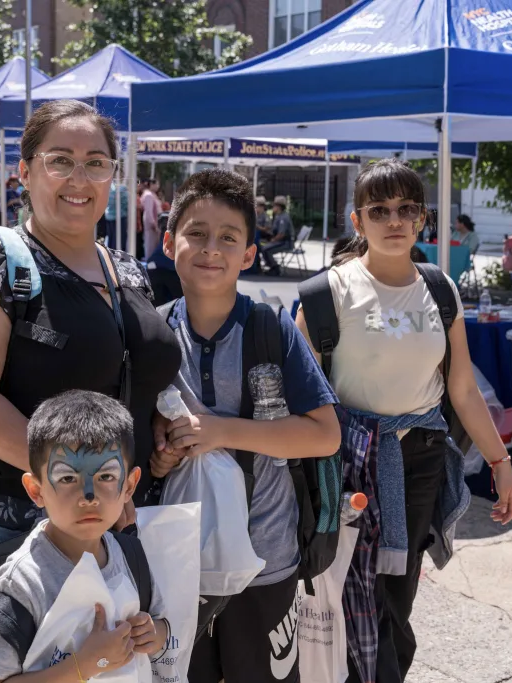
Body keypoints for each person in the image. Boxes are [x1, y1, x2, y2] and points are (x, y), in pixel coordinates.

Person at [0, 99, 182, 594]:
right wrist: (78, 486)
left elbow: (134, 372)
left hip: (131, 516)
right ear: (25, 173)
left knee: (130, 664)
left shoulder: (127, 269)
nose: (79, 177)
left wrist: (165, 422)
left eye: (95, 163)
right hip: (30, 525)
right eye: (60, 160)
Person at [295, 159, 512, 683]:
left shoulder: (440, 290)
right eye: (379, 210)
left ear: (422, 219)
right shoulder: (326, 294)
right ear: (358, 220)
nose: (393, 220)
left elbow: (461, 388)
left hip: (419, 459)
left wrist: (499, 462)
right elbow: (299, 399)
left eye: (406, 209)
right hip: (347, 464)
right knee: (356, 595)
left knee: (399, 592)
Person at [152, 169, 340, 683]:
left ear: (249, 255)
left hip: (266, 562)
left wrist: (220, 431)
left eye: (229, 238)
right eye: (196, 233)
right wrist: (162, 455)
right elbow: (142, 449)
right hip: (179, 566)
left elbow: (325, 433)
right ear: (169, 243)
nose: (211, 248)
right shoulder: (151, 336)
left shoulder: (271, 328)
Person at [0, 389, 170, 682]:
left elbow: (161, 622)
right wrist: (84, 666)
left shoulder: (132, 557)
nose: (88, 496)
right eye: (67, 478)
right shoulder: (24, 582)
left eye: (106, 477)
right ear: (36, 490)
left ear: (129, 486)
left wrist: (153, 633)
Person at [260, 195, 294, 275]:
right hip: (281, 241)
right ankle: (270, 266)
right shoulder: (278, 216)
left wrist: (273, 240)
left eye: (274, 205)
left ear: (278, 207)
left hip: (285, 242)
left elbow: (281, 234)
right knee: (261, 245)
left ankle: (275, 268)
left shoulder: (283, 218)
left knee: (265, 249)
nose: (273, 207)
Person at [104, 179, 129, 251]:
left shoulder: (109, 187)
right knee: (119, 240)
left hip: (109, 215)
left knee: (111, 238)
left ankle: (110, 254)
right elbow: (126, 203)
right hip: (120, 216)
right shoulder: (122, 188)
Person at [141, 177, 162, 258]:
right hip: (151, 223)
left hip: (154, 222)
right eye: (156, 184)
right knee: (150, 243)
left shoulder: (151, 194)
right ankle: (149, 260)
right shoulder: (148, 195)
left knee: (153, 243)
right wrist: (153, 223)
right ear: (152, 184)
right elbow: (149, 211)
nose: (158, 186)